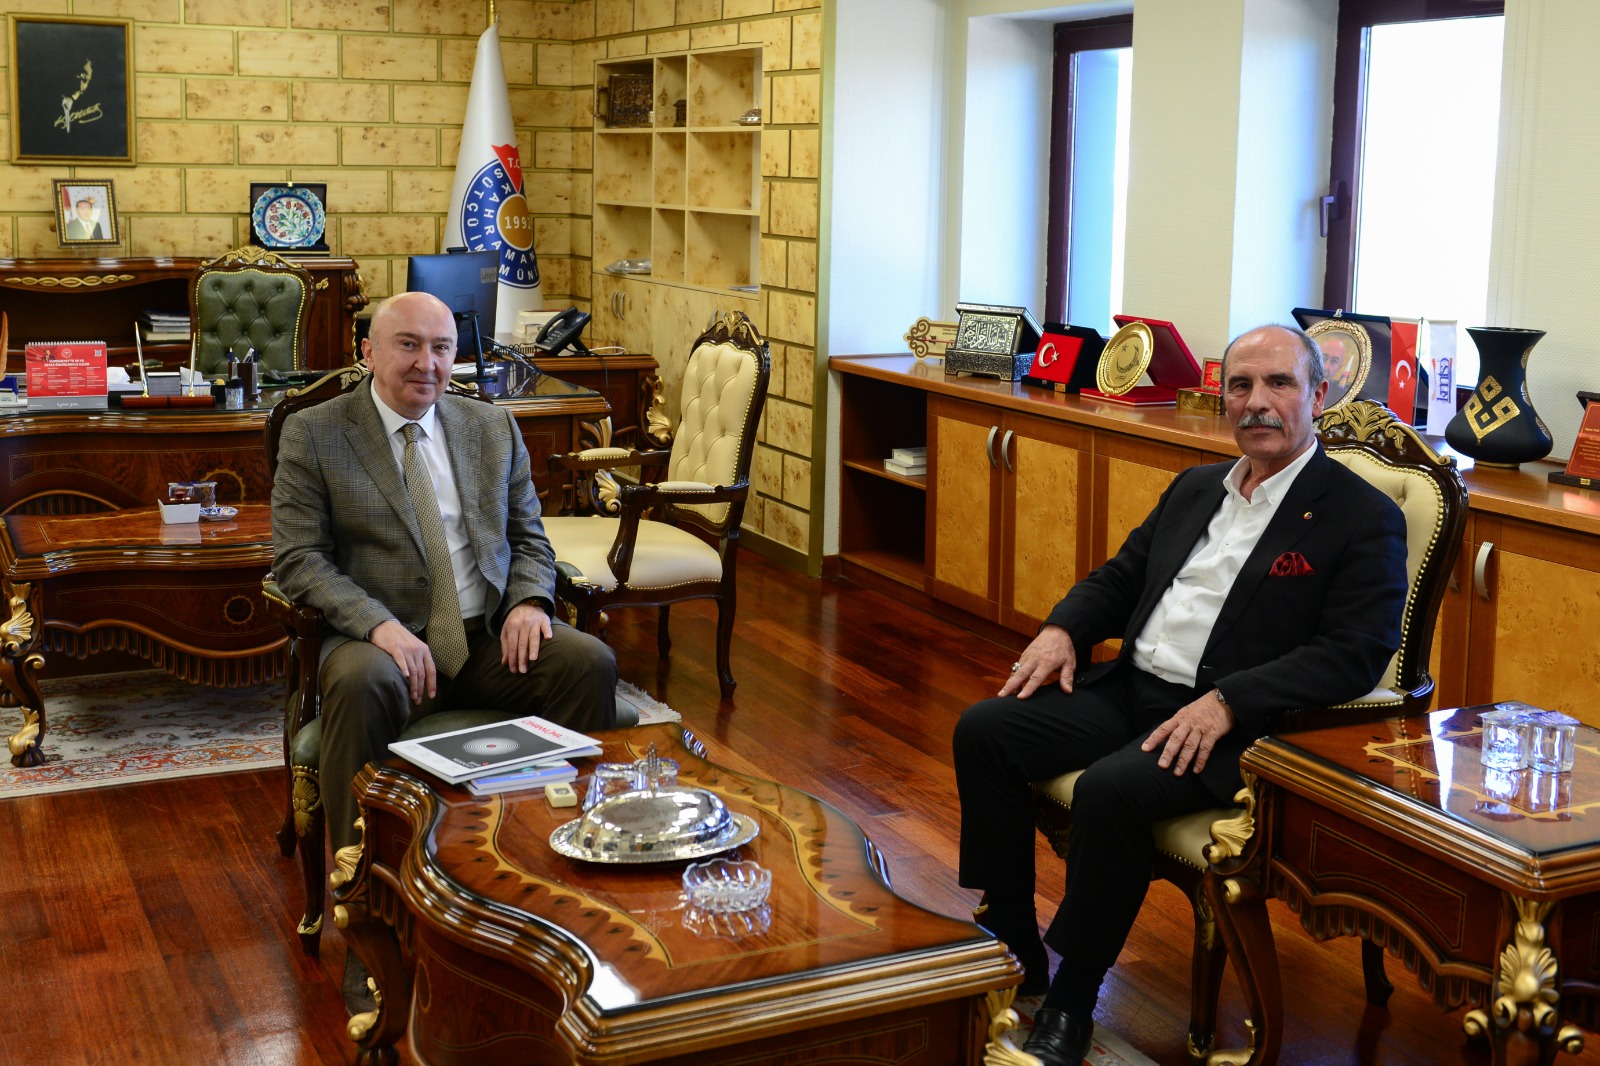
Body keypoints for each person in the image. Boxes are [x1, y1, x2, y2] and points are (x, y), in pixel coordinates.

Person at [952, 324, 1408, 1065]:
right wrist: (1062, 630)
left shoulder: (1361, 516)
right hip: (1131, 688)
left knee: (1112, 790)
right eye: (1241, 385)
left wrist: (1229, 701)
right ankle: (1012, 943)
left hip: (1233, 726)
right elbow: (1121, 577)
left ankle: (1071, 999)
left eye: (1279, 384)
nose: (1257, 402)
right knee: (986, 730)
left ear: (1318, 395)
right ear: (1223, 398)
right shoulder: (1197, 487)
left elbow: (1355, 652)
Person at [271, 291, 618, 1011]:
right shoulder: (316, 433)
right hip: (379, 644)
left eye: (441, 348)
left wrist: (529, 601)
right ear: (368, 351)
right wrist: (377, 625)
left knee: (587, 662)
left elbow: (530, 540)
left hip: (485, 637)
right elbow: (299, 559)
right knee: (360, 683)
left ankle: (557, 876)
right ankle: (368, 920)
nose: (426, 364)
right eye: (408, 345)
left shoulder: (491, 426)